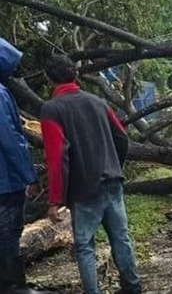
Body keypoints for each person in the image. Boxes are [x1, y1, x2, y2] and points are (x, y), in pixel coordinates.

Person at [40, 55, 141, 294]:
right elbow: (121, 137)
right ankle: (133, 287)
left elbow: (56, 157)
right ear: (75, 75)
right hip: (112, 181)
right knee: (121, 238)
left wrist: (55, 200)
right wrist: (116, 166)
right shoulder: (98, 102)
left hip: (84, 189)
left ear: (48, 79)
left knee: (85, 246)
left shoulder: (51, 109)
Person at [0, 38, 54, 294]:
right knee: (9, 229)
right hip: (5, 178)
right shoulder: (0, 95)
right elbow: (10, 139)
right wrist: (29, 175)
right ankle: (14, 286)